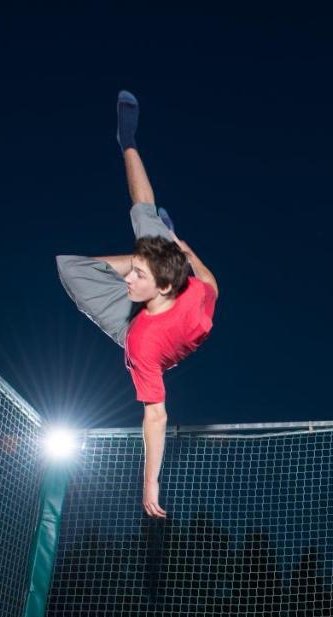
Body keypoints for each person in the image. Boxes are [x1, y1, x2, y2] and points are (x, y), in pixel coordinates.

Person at [56, 91, 219, 517]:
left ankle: (153, 244)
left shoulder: (142, 345)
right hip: (172, 266)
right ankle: (127, 141)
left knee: (73, 270)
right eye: (133, 272)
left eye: (139, 276)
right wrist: (181, 251)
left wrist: (150, 481)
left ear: (164, 289)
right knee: (141, 214)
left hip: (132, 326)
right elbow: (210, 281)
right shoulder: (189, 287)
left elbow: (157, 417)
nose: (128, 280)